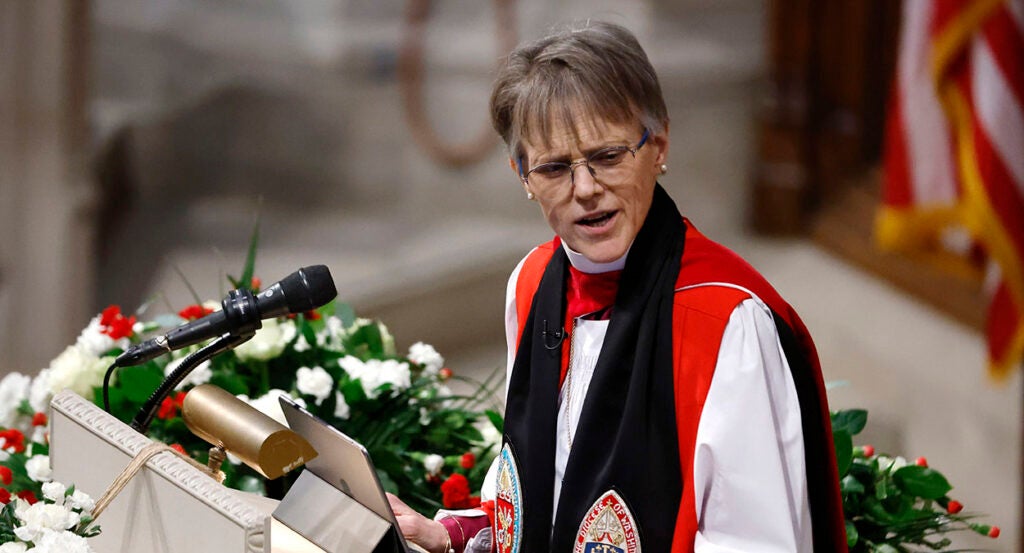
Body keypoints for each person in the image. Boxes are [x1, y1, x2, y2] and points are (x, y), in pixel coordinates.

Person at [388, 20, 847, 553]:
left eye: (607, 156)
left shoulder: (724, 323)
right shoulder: (532, 284)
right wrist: (453, 533)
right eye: (555, 167)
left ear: (658, 146)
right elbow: (546, 485)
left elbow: (755, 541)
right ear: (523, 177)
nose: (586, 190)